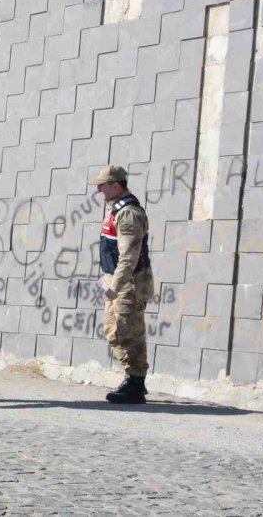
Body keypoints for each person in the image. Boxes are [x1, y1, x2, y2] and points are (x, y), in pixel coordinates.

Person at [93, 165, 154, 405]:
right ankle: (134, 378)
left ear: (116, 185)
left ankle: (136, 383)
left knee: (128, 332)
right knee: (115, 331)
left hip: (129, 284)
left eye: (103, 185)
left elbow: (129, 256)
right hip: (120, 281)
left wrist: (115, 285)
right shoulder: (116, 209)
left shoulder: (128, 213)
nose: (98, 189)